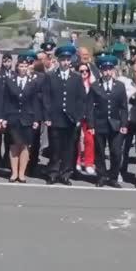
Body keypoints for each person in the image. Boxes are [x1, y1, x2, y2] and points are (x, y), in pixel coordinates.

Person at [45, 45, 86, 185]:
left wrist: (79, 117)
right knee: (55, 147)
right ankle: (53, 173)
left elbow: (81, 99)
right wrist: (47, 117)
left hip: (71, 119)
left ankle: (65, 174)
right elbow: (46, 98)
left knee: (69, 149)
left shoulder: (76, 78)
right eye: (63, 59)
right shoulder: (50, 76)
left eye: (68, 59)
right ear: (58, 60)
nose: (65, 62)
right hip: (55, 118)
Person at [2, 51, 45, 183]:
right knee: (14, 146)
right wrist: (4, 118)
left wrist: (37, 119)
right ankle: (14, 172)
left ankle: (22, 173)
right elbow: (5, 100)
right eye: (21, 66)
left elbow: (36, 102)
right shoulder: (10, 80)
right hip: (13, 117)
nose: (23, 69)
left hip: (28, 117)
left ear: (28, 68)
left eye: (25, 66)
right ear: (17, 67)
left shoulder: (33, 82)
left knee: (25, 146)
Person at [88, 54, 128, 188]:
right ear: (100, 70)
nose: (107, 72)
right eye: (105, 69)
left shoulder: (120, 86)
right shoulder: (95, 86)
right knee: (99, 152)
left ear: (113, 70)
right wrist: (91, 124)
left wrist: (124, 124)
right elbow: (90, 107)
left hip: (116, 124)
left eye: (110, 69)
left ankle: (113, 176)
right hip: (100, 124)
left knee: (116, 152)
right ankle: (101, 176)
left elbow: (124, 107)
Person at [76, 62, 96, 176]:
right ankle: (77, 161)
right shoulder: (75, 83)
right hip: (78, 115)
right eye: (81, 71)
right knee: (77, 140)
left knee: (90, 141)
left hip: (89, 117)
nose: (84, 73)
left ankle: (89, 163)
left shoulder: (92, 84)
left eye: (86, 71)